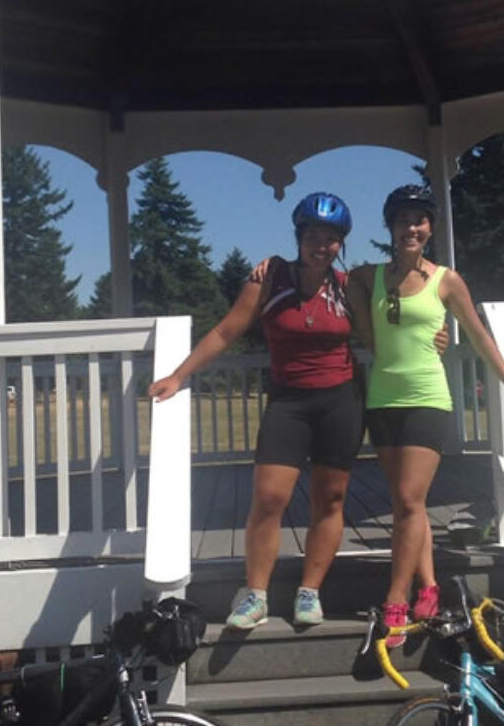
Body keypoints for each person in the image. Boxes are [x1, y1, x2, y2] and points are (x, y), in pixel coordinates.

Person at [346, 184, 504, 647]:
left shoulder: (446, 280)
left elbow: (479, 336)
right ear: (390, 226)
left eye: (420, 221)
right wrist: (273, 271)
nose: (411, 228)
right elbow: (334, 282)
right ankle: (431, 585)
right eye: (402, 220)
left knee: (406, 499)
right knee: (409, 505)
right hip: (382, 400)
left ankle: (396, 601)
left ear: (430, 228)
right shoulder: (368, 277)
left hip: (427, 399)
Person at [148, 192, 362, 630]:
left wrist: (433, 341)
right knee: (269, 498)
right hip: (288, 402)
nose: (322, 244)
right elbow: (228, 331)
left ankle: (310, 592)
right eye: (313, 235)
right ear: (299, 237)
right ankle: (256, 595)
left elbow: (383, 331)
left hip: (341, 399)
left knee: (331, 498)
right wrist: (179, 374)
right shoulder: (269, 278)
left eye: (331, 237)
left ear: (341, 243)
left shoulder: (348, 286)